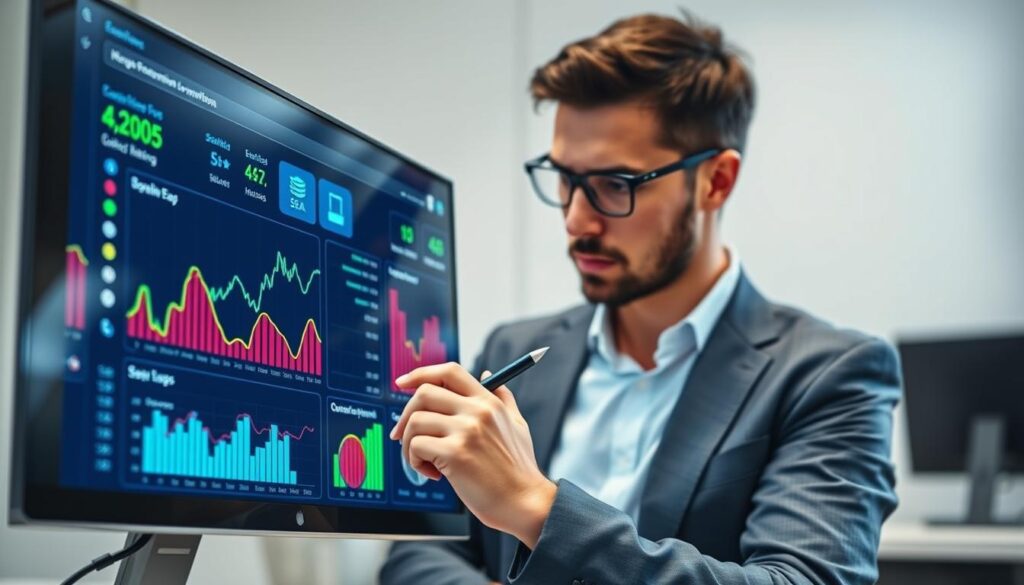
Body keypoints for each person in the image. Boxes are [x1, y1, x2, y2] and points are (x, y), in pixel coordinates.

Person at [379, 11, 900, 585]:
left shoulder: (828, 373)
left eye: (614, 185)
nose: (577, 220)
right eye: (564, 177)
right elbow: (424, 551)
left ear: (716, 181)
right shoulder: (517, 348)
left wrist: (537, 507)